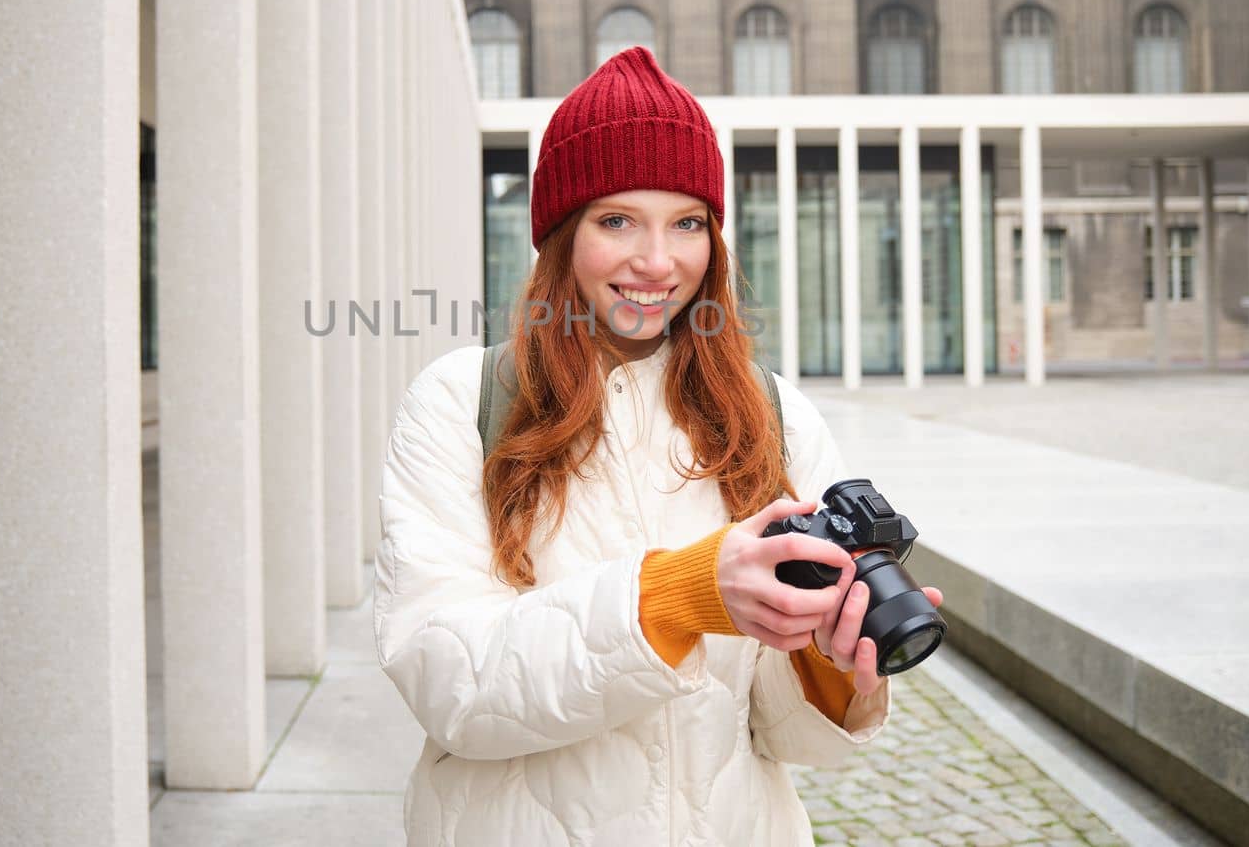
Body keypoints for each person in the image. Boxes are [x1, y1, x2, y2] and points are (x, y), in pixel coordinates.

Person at [374, 46, 943, 845]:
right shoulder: (460, 403)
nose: (657, 260)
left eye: (686, 222)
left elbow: (781, 736)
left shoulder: (772, 415)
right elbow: (453, 682)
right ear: (560, 235)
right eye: (617, 220)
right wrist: (681, 596)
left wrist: (829, 659)